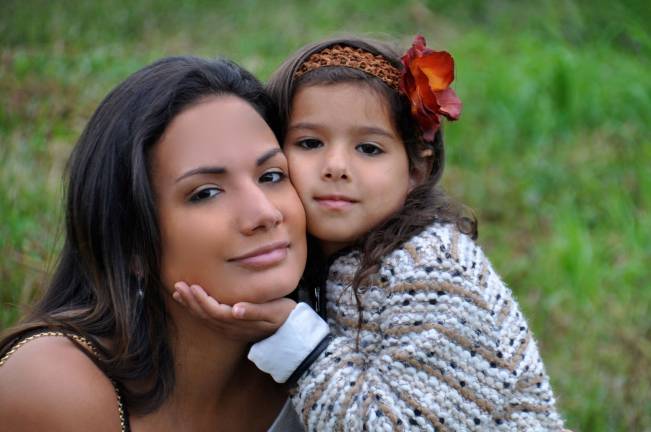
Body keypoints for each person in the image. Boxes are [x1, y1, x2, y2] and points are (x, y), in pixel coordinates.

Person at [173, 36, 565, 431]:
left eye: (369, 149)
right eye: (310, 143)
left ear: (417, 170)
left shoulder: (430, 271)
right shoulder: (314, 253)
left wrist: (297, 342)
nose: (336, 166)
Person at [0, 56, 308, 431]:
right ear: (131, 243)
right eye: (206, 193)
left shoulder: (338, 363)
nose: (264, 213)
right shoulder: (54, 388)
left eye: (272, 175)